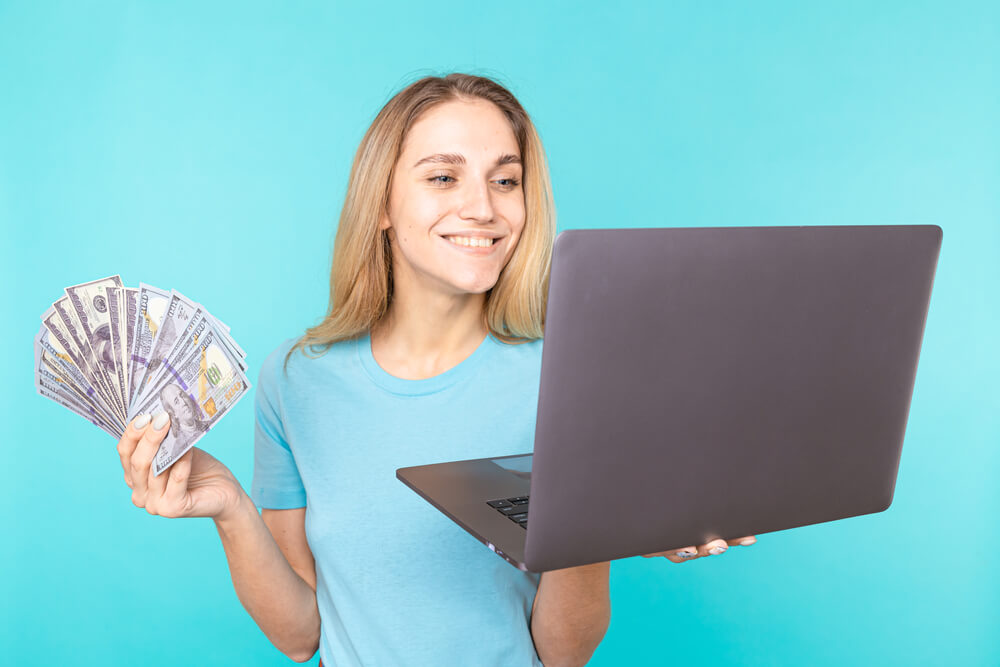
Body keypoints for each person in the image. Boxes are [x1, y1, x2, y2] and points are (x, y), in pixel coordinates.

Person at [116, 72, 757, 667]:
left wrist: (598, 525)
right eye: (444, 178)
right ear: (384, 204)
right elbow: (300, 633)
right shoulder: (296, 379)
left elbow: (564, 653)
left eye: (505, 180)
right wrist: (229, 507)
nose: (483, 207)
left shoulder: (570, 380)